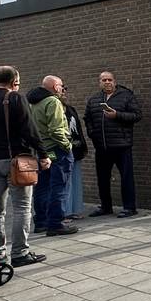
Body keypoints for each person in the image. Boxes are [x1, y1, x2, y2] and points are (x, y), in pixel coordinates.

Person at [0, 66, 49, 267]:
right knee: (22, 207)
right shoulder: (16, 98)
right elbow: (29, 129)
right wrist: (43, 154)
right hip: (16, 161)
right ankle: (20, 253)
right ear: (14, 80)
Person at [85, 71, 141, 218]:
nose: (107, 82)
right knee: (102, 178)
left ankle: (130, 207)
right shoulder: (94, 100)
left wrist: (117, 115)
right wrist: (93, 134)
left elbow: (137, 115)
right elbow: (87, 118)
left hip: (122, 145)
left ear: (115, 82)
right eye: (104, 80)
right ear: (100, 82)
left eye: (110, 79)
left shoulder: (126, 96)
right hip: (102, 146)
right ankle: (106, 206)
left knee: (126, 177)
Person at [28, 75, 78, 237]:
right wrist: (67, 145)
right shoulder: (53, 102)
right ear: (56, 87)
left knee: (42, 187)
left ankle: (41, 222)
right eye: (62, 86)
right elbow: (56, 130)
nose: (63, 89)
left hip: (42, 151)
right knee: (59, 186)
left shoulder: (32, 102)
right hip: (57, 149)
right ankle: (56, 223)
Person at [61, 88, 88, 221]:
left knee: (76, 181)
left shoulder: (71, 109)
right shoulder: (54, 108)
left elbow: (78, 129)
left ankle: (76, 209)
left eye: (66, 90)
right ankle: (65, 212)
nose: (64, 93)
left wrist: (83, 145)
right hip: (64, 150)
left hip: (75, 150)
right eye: (62, 90)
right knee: (65, 182)